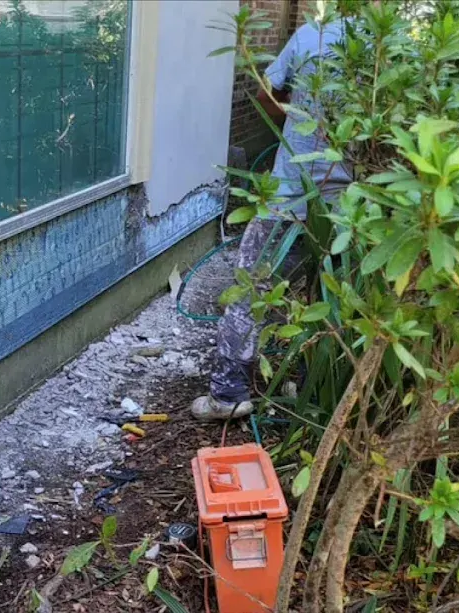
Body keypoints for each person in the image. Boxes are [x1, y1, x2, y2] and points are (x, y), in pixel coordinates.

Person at [192, 17, 353, 421]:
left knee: (251, 289)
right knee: (332, 297)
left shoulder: (314, 36)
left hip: (290, 197)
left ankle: (228, 396)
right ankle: (309, 381)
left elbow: (266, 97)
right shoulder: (402, 52)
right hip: (352, 211)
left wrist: (300, 130)